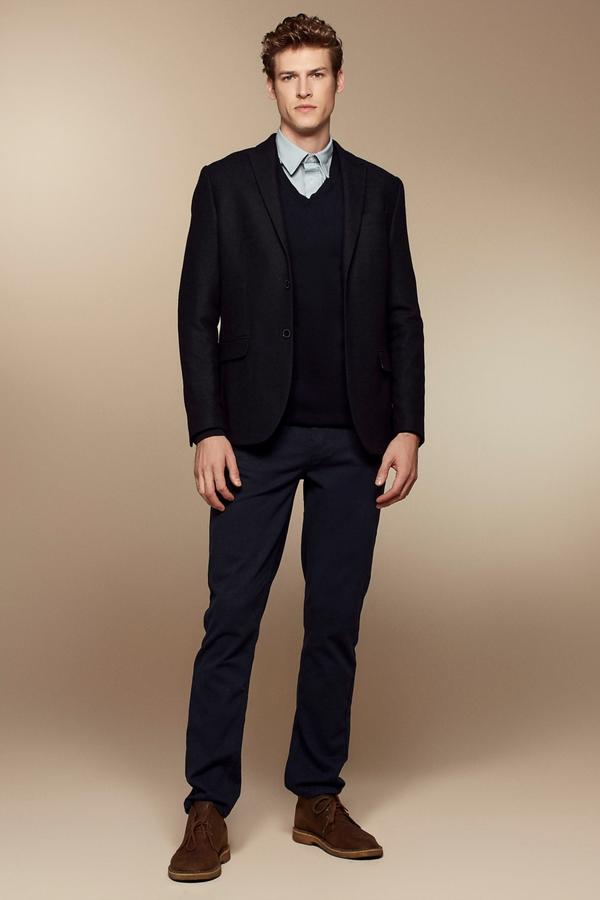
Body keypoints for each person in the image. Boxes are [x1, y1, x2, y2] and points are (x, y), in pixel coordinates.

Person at [168, 12, 425, 882]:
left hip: (356, 436)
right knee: (231, 618)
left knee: (335, 621)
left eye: (318, 74)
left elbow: (403, 316)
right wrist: (207, 427)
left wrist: (408, 426)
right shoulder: (225, 185)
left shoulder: (380, 191)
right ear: (272, 85)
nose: (305, 89)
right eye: (290, 76)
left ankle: (317, 796)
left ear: (339, 81)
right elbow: (195, 316)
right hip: (253, 438)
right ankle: (208, 806)